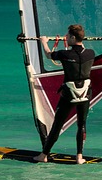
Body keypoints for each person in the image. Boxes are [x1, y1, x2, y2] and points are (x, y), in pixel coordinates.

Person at [34, 24, 95, 164]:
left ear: (73, 37)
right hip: (85, 94)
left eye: (67, 36)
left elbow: (49, 55)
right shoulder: (91, 53)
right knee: (82, 124)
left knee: (57, 125)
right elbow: (80, 52)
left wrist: (44, 42)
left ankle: (43, 155)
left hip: (69, 94)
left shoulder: (64, 54)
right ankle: (79, 157)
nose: (65, 38)